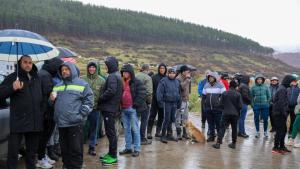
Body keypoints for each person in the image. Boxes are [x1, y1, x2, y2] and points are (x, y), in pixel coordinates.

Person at [0, 55, 43, 169]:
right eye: (25, 62)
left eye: (30, 62)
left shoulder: (36, 78)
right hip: (18, 121)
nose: (28, 64)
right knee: (13, 154)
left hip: (34, 122)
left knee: (31, 154)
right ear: (20, 63)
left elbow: (40, 98)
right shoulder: (13, 77)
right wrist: (12, 88)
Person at [51, 62, 94, 169]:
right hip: (61, 124)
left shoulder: (82, 84)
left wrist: (80, 116)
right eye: (62, 70)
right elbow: (51, 103)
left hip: (75, 124)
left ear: (72, 70)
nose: (64, 71)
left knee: (75, 150)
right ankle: (66, 165)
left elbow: (89, 102)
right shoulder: (57, 86)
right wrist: (51, 99)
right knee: (64, 149)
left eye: (67, 69)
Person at [36, 57, 63, 168]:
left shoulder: (44, 73)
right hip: (46, 112)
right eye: (58, 67)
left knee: (45, 136)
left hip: (45, 111)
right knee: (44, 136)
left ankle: (43, 156)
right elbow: (48, 94)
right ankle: (40, 158)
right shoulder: (46, 75)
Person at [98, 56, 123, 166]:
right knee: (110, 132)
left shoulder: (113, 76)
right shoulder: (117, 75)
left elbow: (111, 91)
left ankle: (113, 156)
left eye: (107, 65)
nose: (105, 67)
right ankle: (110, 153)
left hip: (109, 108)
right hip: (112, 108)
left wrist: (101, 97)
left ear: (111, 65)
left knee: (111, 133)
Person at [119, 64, 147, 157]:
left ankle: (137, 149)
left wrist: (135, 104)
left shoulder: (137, 82)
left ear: (131, 72)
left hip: (132, 109)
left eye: (126, 72)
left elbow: (143, 93)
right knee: (126, 129)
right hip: (123, 109)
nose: (124, 74)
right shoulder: (122, 82)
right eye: (123, 72)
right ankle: (128, 148)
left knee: (135, 129)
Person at [82, 61, 105, 156]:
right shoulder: (82, 79)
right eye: (90, 67)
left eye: (93, 67)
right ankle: (79, 145)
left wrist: (101, 105)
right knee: (81, 127)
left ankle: (92, 147)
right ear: (87, 68)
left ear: (96, 69)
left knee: (93, 128)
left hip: (95, 109)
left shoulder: (102, 80)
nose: (91, 69)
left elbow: (104, 95)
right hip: (83, 108)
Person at [212, 80, 243, 149]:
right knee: (234, 128)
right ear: (236, 86)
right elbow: (240, 106)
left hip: (225, 113)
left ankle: (218, 144)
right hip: (235, 114)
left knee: (222, 128)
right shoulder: (238, 94)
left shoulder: (224, 93)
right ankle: (233, 143)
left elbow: (220, 104)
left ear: (229, 85)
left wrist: (224, 108)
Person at [271, 75, 295, 154]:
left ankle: (282, 146)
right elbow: (281, 103)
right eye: (292, 81)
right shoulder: (282, 89)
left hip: (280, 113)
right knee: (280, 131)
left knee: (284, 130)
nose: (292, 83)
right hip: (279, 113)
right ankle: (275, 147)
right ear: (288, 81)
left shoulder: (283, 88)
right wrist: (285, 113)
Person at [157, 68, 181, 143]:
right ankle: (163, 135)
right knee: (166, 119)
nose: (172, 74)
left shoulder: (177, 81)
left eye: (173, 73)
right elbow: (159, 92)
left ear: (175, 74)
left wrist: (179, 102)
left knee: (172, 119)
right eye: (170, 73)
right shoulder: (163, 81)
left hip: (174, 103)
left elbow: (178, 92)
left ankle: (169, 135)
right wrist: (160, 102)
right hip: (166, 103)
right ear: (168, 73)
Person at [202, 72, 226, 142]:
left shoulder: (220, 85)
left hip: (218, 109)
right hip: (208, 108)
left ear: (215, 78)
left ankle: (219, 138)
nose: (210, 79)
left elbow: (224, 96)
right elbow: (203, 97)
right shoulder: (206, 85)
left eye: (212, 77)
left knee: (218, 124)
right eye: (209, 77)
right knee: (210, 124)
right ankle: (211, 137)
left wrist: (221, 106)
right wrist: (204, 107)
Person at [147, 63, 167, 139]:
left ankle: (158, 132)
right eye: (161, 68)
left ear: (165, 70)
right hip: (155, 100)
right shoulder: (154, 77)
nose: (162, 69)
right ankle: (149, 132)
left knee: (161, 116)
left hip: (163, 100)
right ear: (158, 69)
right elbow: (150, 88)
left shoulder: (166, 78)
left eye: (163, 68)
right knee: (152, 116)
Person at [136, 64, 153, 145]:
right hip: (144, 103)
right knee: (144, 120)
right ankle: (142, 138)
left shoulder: (136, 76)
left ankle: (134, 138)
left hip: (135, 102)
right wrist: (149, 102)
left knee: (135, 121)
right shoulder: (148, 78)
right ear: (147, 69)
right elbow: (149, 92)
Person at [250, 74, 271, 138]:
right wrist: (252, 105)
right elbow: (251, 97)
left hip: (265, 106)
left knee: (265, 119)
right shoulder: (253, 87)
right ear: (256, 80)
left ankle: (265, 132)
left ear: (262, 80)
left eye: (260, 79)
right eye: (258, 79)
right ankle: (257, 131)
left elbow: (269, 96)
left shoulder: (266, 87)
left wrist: (267, 103)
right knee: (256, 118)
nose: (259, 80)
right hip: (256, 105)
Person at [176, 65, 192, 140]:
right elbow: (181, 87)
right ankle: (178, 133)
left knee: (185, 117)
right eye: (186, 71)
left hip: (186, 100)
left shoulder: (187, 78)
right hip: (180, 100)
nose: (188, 72)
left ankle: (185, 133)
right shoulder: (178, 78)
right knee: (178, 117)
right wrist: (187, 79)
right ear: (182, 72)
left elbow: (188, 88)